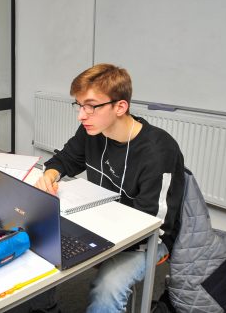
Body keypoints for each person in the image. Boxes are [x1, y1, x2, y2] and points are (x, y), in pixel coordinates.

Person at [34, 64, 185, 313]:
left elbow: (152, 224)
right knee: (39, 237)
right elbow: (64, 160)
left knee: (108, 287)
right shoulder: (92, 131)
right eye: (79, 105)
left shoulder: (158, 150)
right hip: (101, 221)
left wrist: (93, 238)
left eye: (91, 106)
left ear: (120, 107)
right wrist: (51, 174)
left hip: (147, 239)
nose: (81, 115)